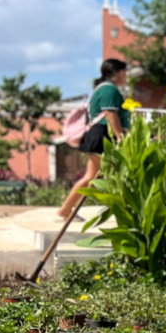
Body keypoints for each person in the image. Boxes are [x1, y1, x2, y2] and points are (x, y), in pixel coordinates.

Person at [58, 59, 131, 220]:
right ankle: (66, 209)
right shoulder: (109, 90)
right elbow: (110, 113)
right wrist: (119, 136)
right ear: (115, 73)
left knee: (96, 176)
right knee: (91, 176)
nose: (126, 75)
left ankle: (67, 208)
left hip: (102, 135)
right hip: (102, 135)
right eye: (124, 72)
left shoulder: (107, 88)